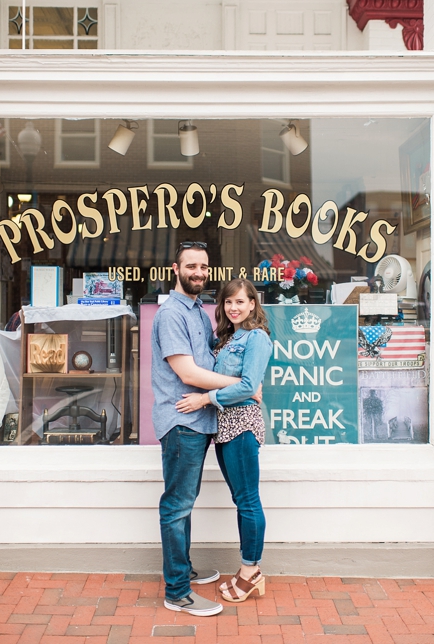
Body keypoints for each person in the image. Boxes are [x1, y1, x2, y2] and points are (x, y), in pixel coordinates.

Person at [150, 241, 245, 617]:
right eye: (191, 266)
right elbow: (187, 373)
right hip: (181, 421)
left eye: (203, 267)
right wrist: (240, 387)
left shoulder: (199, 311)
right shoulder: (172, 314)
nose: (198, 273)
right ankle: (176, 591)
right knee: (176, 505)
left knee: (184, 503)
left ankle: (184, 570)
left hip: (199, 419)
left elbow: (209, 358)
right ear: (176, 269)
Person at [176, 278, 273, 603]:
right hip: (224, 427)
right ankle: (248, 570)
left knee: (248, 500)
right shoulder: (230, 337)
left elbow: (247, 387)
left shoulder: (257, 338)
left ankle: (251, 571)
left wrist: (205, 399)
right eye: (229, 302)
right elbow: (241, 381)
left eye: (240, 302)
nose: (234, 307)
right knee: (240, 499)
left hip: (242, 424)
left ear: (252, 305)